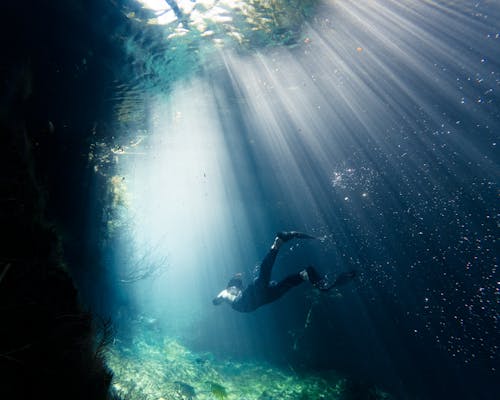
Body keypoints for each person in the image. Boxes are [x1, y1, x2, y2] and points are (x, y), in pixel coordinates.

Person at [212, 231, 356, 312]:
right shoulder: (228, 291)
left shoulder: (231, 293)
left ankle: (304, 274)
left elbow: (217, 300)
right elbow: (217, 299)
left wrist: (219, 300)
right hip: (249, 302)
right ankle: (300, 269)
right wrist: (218, 299)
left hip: (254, 302)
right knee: (266, 280)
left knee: (276, 283)